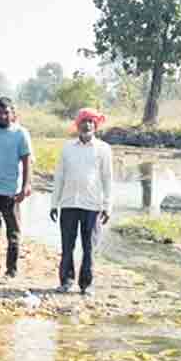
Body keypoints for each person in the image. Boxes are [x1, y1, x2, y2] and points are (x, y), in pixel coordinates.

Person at [51, 108, 114, 295]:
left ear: (95, 126)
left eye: (90, 122)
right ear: (77, 125)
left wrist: (107, 206)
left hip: (92, 206)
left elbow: (107, 179)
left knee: (89, 248)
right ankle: (66, 281)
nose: (87, 125)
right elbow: (59, 176)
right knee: (67, 246)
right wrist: (54, 204)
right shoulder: (67, 147)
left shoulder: (103, 149)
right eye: (83, 122)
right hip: (69, 204)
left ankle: (86, 285)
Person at [0, 97, 32, 279]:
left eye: (5, 112)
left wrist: (26, 185)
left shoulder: (21, 134)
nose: (2, 116)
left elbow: (26, 162)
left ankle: (11, 270)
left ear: (13, 113)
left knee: (13, 233)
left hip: (11, 193)